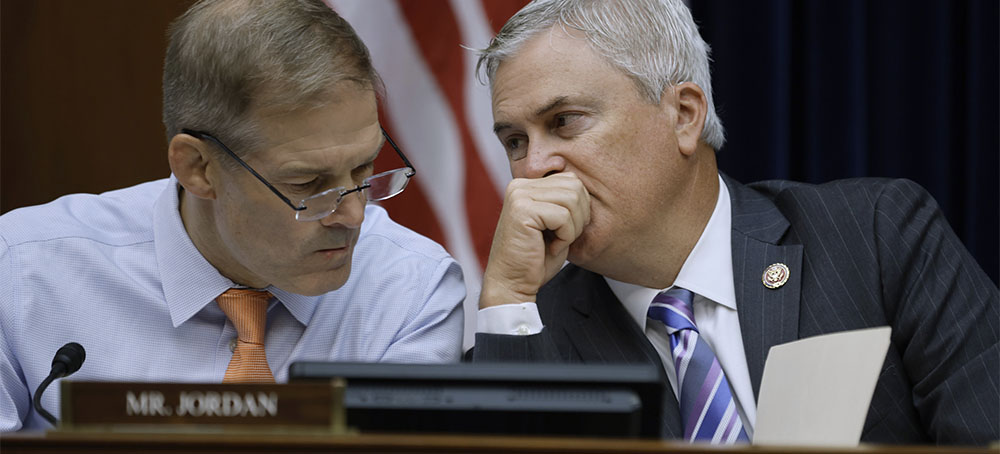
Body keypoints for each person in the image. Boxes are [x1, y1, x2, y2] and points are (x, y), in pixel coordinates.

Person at [470, 0, 998, 445]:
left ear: (684, 114)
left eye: (564, 122)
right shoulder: (527, 332)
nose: (533, 168)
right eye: (515, 141)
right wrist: (509, 295)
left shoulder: (877, 238)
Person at [0, 0, 464, 432]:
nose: (354, 214)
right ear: (198, 168)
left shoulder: (409, 290)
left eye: (364, 168)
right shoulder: (21, 273)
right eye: (308, 184)